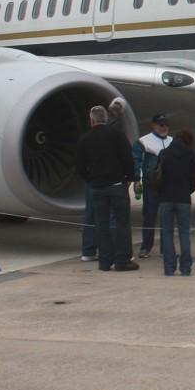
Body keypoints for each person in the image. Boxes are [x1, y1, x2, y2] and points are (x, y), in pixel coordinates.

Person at [75, 105, 139, 272]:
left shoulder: (85, 139)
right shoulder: (117, 135)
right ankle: (122, 260)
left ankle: (105, 261)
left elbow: (80, 167)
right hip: (117, 185)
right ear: (106, 118)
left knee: (101, 224)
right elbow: (127, 159)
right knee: (121, 223)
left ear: (91, 120)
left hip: (97, 187)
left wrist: (92, 180)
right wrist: (129, 177)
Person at [156, 129, 195, 276]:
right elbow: (194, 180)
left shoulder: (164, 153)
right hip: (183, 198)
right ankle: (186, 267)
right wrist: (187, 191)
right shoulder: (190, 155)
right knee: (184, 233)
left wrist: (161, 192)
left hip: (166, 198)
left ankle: (169, 268)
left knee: (167, 233)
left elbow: (158, 176)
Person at [132, 113, 174, 259]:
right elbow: (136, 161)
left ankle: (166, 248)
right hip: (151, 185)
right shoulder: (143, 142)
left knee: (167, 217)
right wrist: (136, 180)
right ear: (153, 125)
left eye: (165, 124)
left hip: (168, 186)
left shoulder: (173, 142)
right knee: (149, 216)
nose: (163, 127)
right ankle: (146, 247)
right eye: (160, 124)